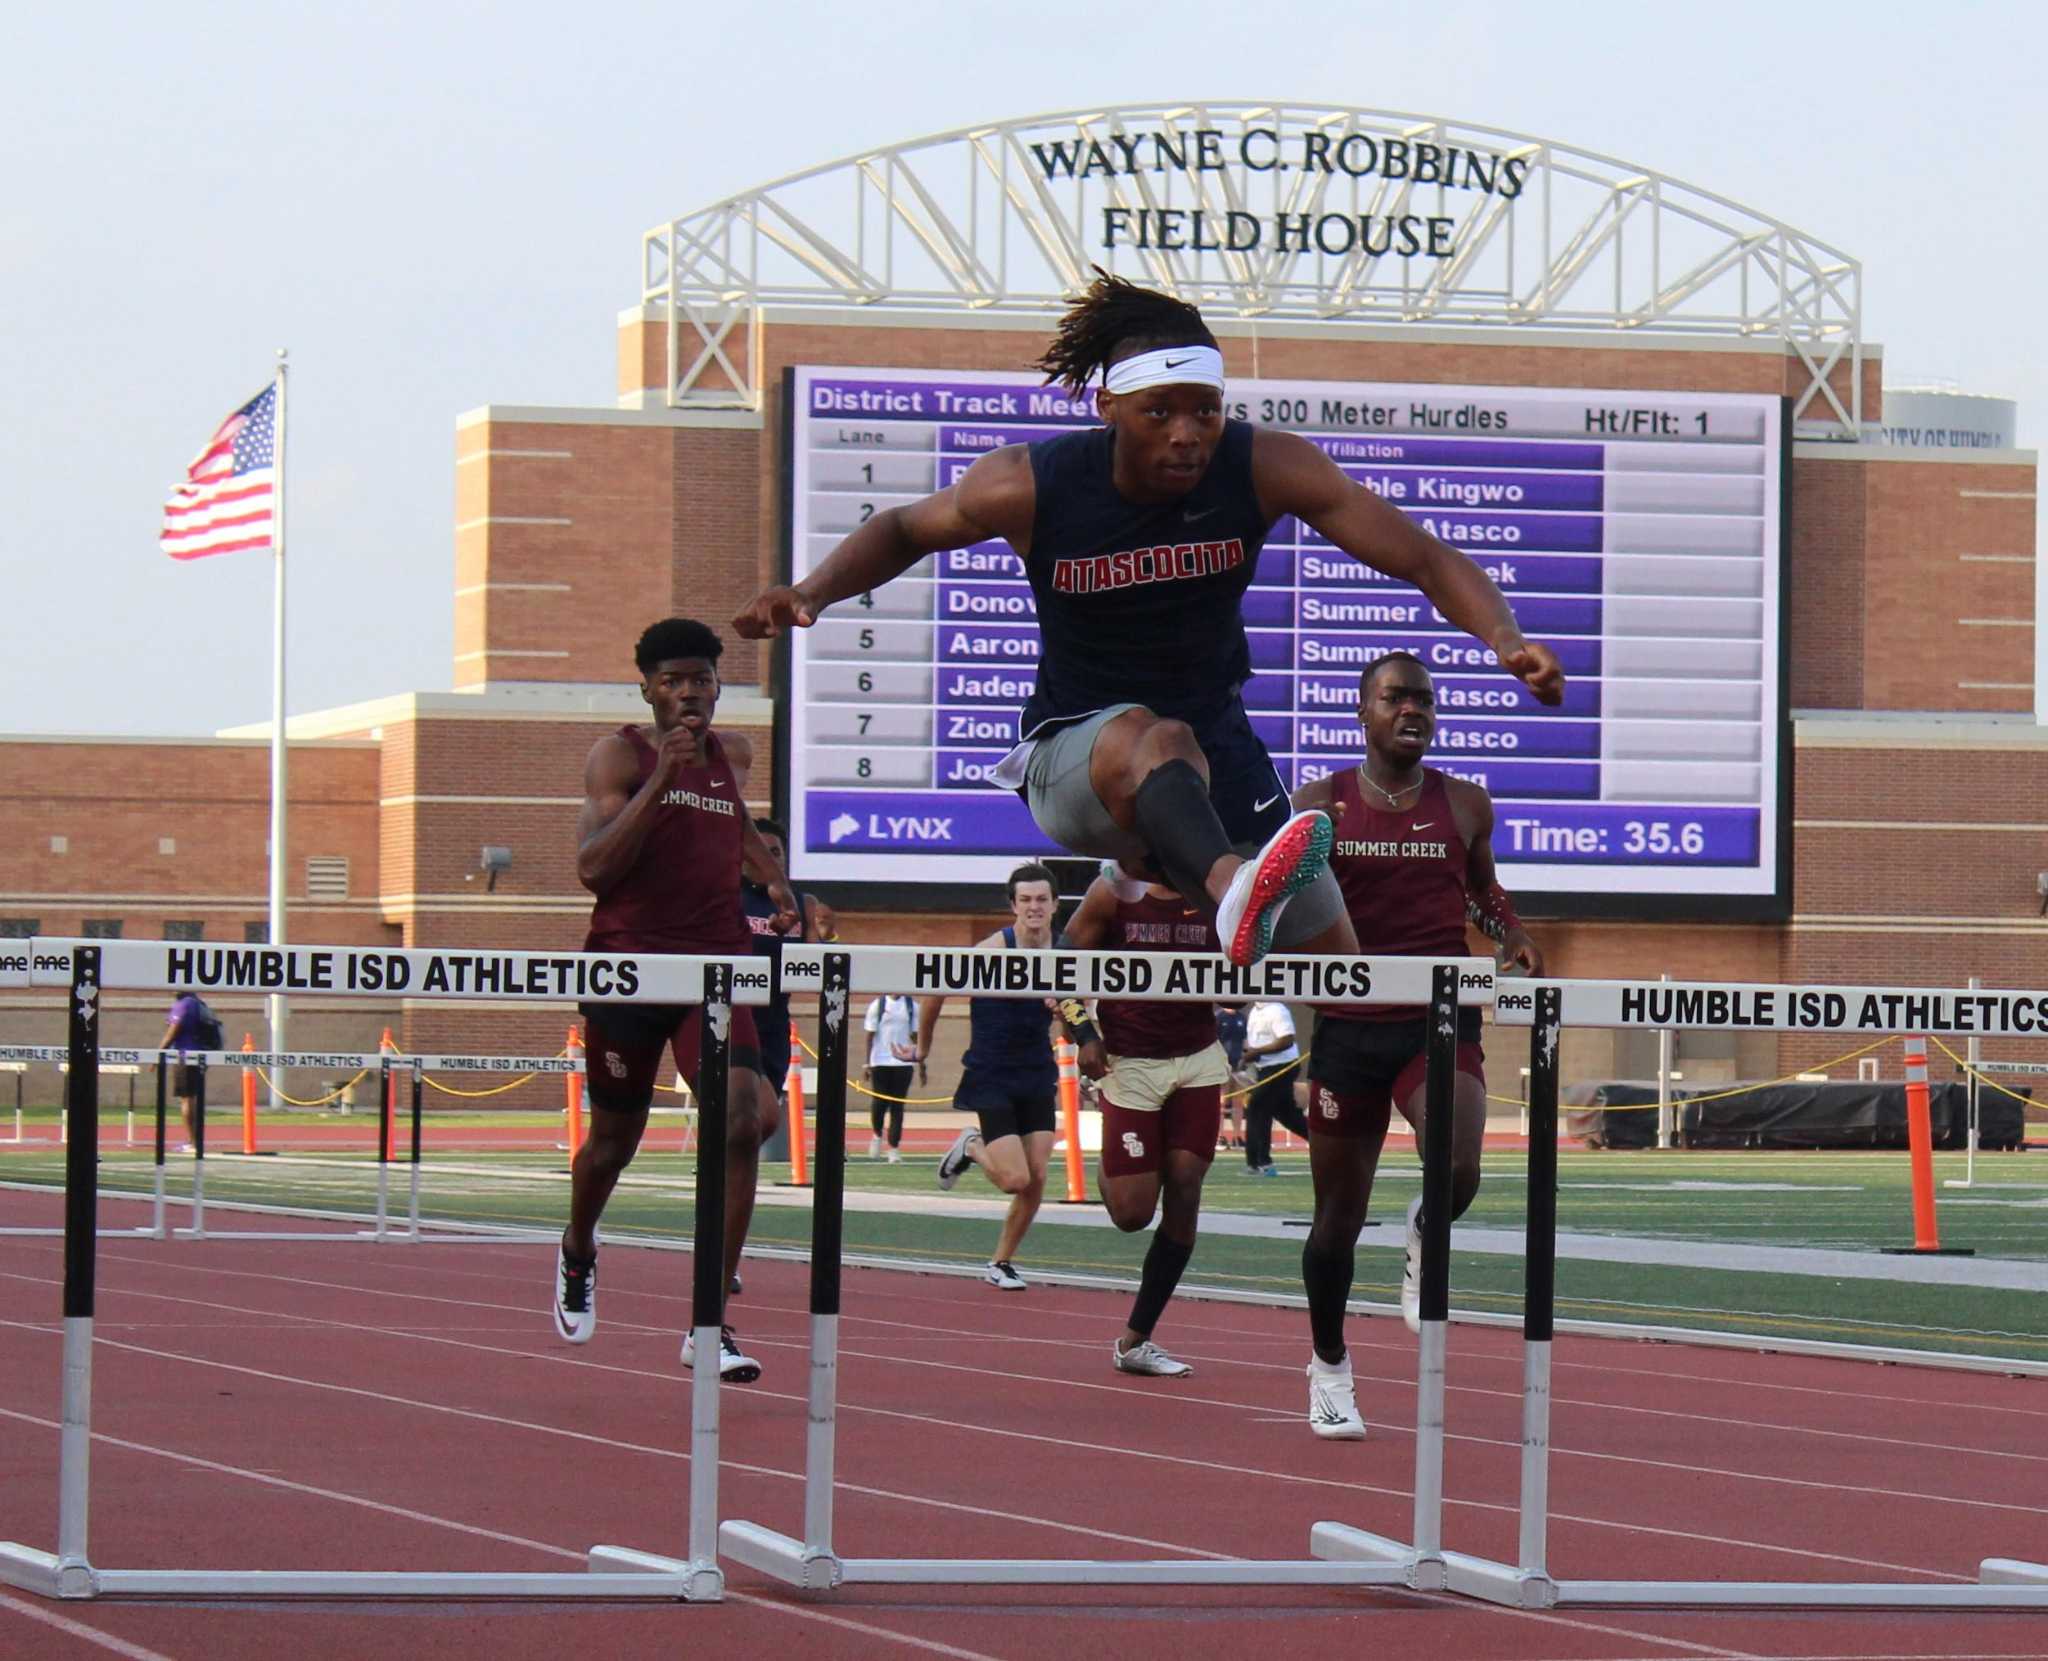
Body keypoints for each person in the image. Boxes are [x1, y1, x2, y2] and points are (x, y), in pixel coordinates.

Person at [734, 270, 1563, 970]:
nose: (1188, 435)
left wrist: (1506, 638)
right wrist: (812, 591)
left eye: (1204, 410)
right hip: (1076, 755)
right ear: (1107, 408)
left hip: (1215, 753)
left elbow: (1419, 555)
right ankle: (1231, 883)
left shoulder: (1262, 466)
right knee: (1152, 734)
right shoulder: (1031, 484)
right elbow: (905, 527)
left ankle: (1340, 1079)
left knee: (1341, 974)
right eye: (1159, 412)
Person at [1290, 650, 1545, 1440]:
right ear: (1362, 711)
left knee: (1460, 1163)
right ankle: (1329, 1367)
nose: (1415, 711)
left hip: (1438, 1016)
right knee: (1336, 1218)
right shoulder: (1319, 803)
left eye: (1425, 701)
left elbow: (1484, 890)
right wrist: (1303, 1040)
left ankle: (1427, 1225)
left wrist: (1513, 934)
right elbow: (1292, 914)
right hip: (1348, 1028)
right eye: (1396, 698)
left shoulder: (1465, 804)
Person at [555, 617, 800, 1384]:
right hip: (632, 967)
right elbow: (595, 866)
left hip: (718, 962)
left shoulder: (733, 758)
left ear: (717, 685)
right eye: (672, 680)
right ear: (647, 689)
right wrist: (663, 775)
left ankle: (709, 1317)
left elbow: (730, 831)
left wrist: (776, 879)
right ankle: (578, 1246)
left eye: (701, 678)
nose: (689, 693)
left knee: (747, 1112)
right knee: (612, 1144)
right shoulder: (619, 755)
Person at [1060, 872, 1225, 1377]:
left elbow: (1248, 966)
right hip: (1130, 1062)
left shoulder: (1217, 888)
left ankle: (1136, 1337)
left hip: (1197, 1057)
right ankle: (1115, 1149)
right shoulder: (1111, 891)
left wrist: (1242, 980)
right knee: (1132, 1214)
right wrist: (1082, 1031)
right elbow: (1060, 967)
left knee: (1185, 1183)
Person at [920, 864, 1060, 1291]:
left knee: (1036, 1177)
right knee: (1014, 1179)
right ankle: (970, 1146)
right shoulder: (992, 949)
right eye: (1026, 900)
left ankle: (1001, 1262)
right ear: (1013, 905)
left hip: (1037, 1071)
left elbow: (1084, 1007)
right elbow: (934, 989)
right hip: (992, 1072)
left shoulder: (1066, 953)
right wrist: (922, 1048)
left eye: (1041, 899)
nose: (1034, 907)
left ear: (1055, 904)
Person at [1241, 1001, 1308, 1175]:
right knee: (1287, 1114)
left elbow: (1286, 1040)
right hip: (1264, 1068)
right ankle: (1323, 1143)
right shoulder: (1255, 1010)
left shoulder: (1277, 1009)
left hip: (1282, 1067)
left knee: (1257, 1107)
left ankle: (1261, 1162)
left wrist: (1257, 1052)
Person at [861, 993, 919, 1161]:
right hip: (880, 1062)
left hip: (903, 1063)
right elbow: (869, 1037)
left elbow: (915, 1036)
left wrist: (920, 1063)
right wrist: (867, 1064)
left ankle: (893, 1148)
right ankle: (877, 1135)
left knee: (897, 1106)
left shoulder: (911, 1006)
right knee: (879, 1104)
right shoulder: (877, 1005)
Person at [156, 992, 215, 1152]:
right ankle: (195, 1141)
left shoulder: (184, 1004)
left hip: (186, 1056)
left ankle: (193, 1143)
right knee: (192, 1099)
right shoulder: (198, 1004)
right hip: (199, 1054)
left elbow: (173, 1030)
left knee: (187, 1100)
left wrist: (158, 1054)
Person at [1214, 1004, 1248, 1150]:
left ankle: (1237, 1137)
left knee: (1238, 1102)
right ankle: (1219, 1137)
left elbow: (1246, 1041)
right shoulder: (1219, 1017)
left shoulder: (1242, 1018)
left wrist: (1245, 1058)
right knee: (1221, 1102)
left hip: (1239, 1065)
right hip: (1222, 1065)